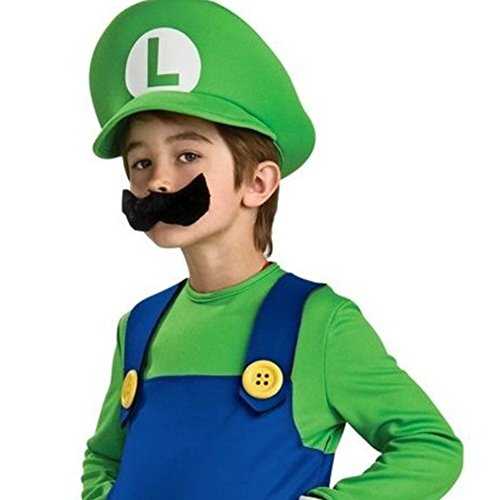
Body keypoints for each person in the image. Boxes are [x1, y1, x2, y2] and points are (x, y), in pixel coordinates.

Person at [81, 1, 463, 499]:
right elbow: (104, 457)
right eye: (140, 162)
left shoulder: (320, 322)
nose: (158, 181)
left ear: (258, 183)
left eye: (187, 155)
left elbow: (430, 446)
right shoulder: (140, 324)